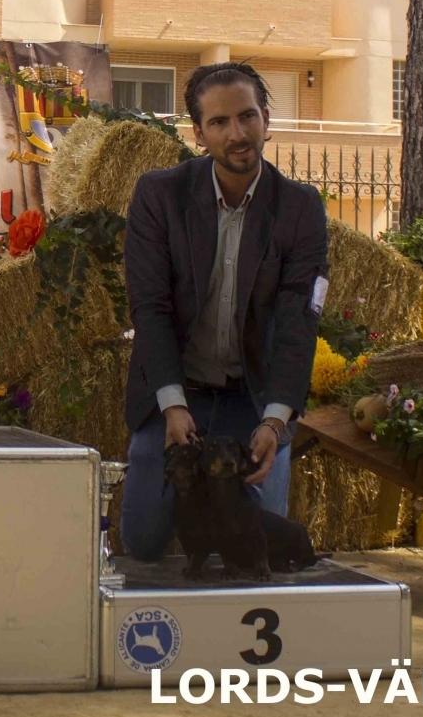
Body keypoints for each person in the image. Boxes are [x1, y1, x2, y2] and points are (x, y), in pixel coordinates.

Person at [120, 61, 328, 560]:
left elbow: (299, 322)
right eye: (219, 122)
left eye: (247, 116)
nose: (237, 134)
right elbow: (150, 307)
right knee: (142, 541)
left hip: (251, 400)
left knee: (260, 545)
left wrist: (275, 422)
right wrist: (172, 405)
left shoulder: (300, 207)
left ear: (266, 119)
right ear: (198, 133)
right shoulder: (159, 195)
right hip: (176, 393)